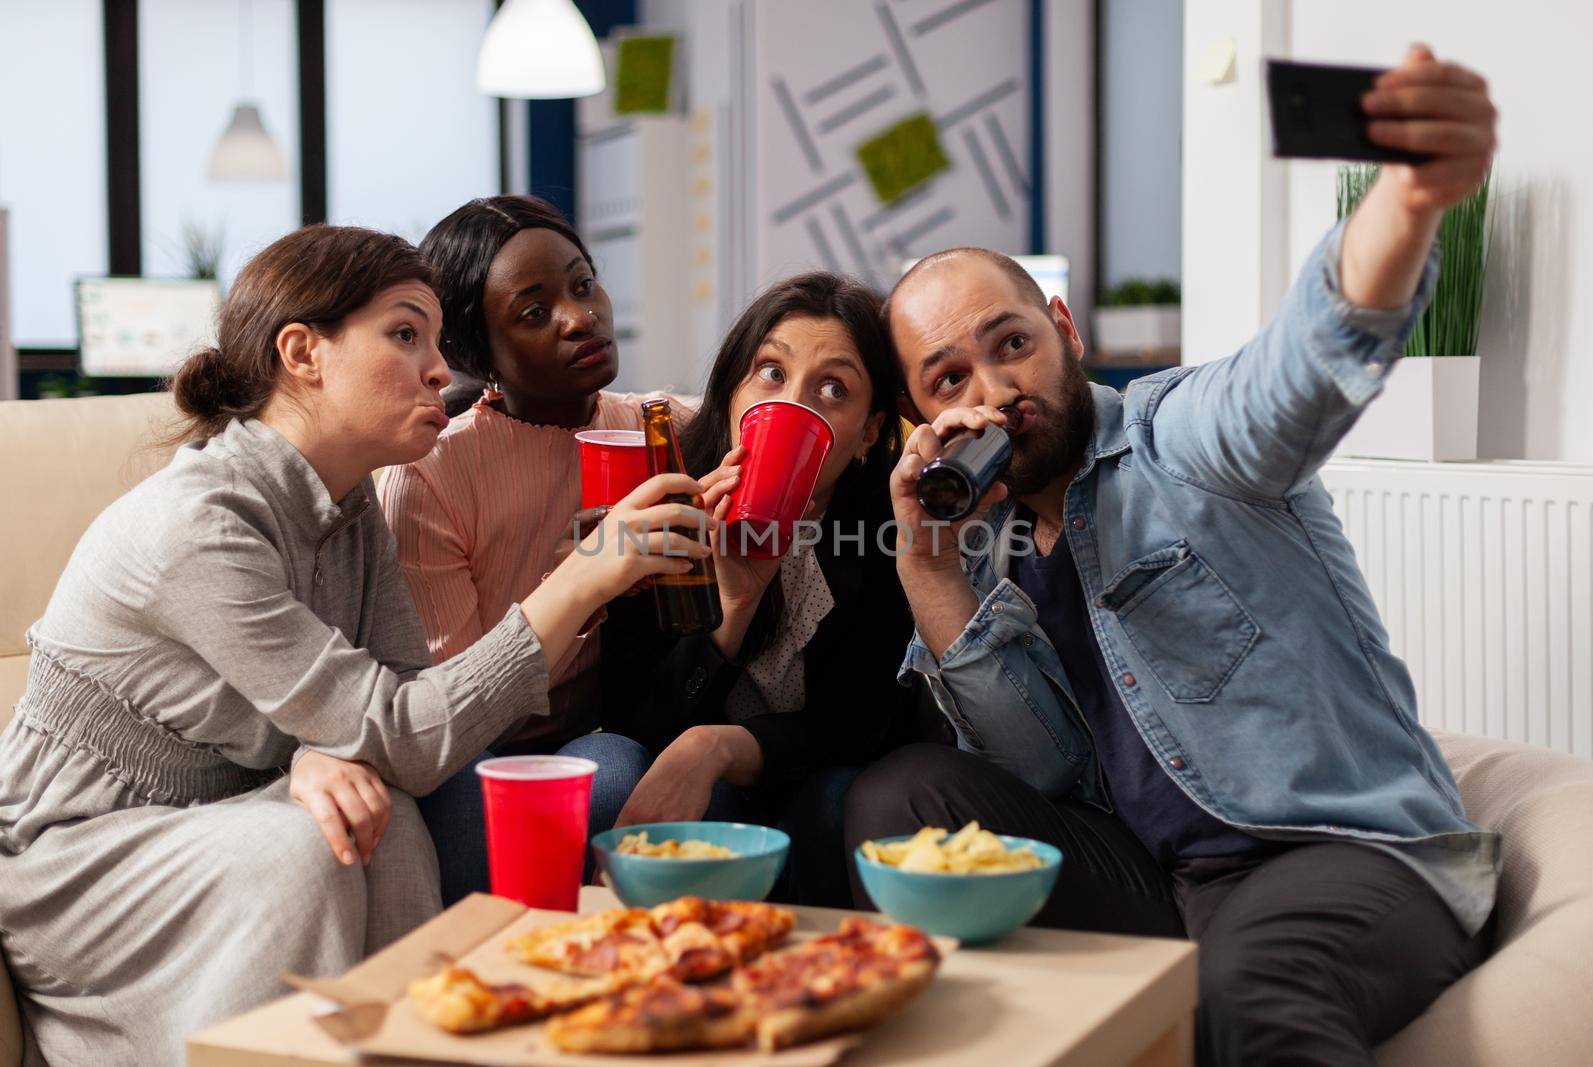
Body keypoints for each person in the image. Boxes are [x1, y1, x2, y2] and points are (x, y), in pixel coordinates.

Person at [846, 46, 1498, 1064]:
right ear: (918, 418)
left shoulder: (1182, 436)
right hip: (1160, 878)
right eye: (949, 378)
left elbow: (1301, 370)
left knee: (1245, 983)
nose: (993, 389)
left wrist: (1409, 200)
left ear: (1060, 330)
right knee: (899, 798)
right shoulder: (984, 543)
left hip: (1337, 853)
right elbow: (1043, 770)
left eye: (1009, 342)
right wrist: (927, 569)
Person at [0, 224, 711, 1066]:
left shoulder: (348, 510)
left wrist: (312, 753)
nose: (442, 371)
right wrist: (583, 577)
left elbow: (400, 734)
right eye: (405, 334)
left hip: (221, 815)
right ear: (303, 352)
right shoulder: (199, 525)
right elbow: (405, 734)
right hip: (79, 854)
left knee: (387, 820)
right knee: (310, 843)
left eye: (438, 342)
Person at [376, 195, 691, 904]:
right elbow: (451, 708)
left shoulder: (663, 426)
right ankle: (476, 978)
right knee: (470, 796)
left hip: (595, 736)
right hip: (468, 743)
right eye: (533, 310)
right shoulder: (432, 473)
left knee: (615, 770)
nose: (580, 316)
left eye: (583, 285)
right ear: (471, 352)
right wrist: (573, 580)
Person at [598, 272, 925, 906]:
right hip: (694, 785)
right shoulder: (664, 498)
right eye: (771, 373)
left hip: (810, 782)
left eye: (833, 389)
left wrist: (719, 745)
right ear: (729, 393)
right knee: (627, 772)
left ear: (866, 433)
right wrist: (733, 602)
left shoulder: (890, 528)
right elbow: (632, 719)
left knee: (839, 800)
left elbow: (865, 726)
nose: (796, 404)